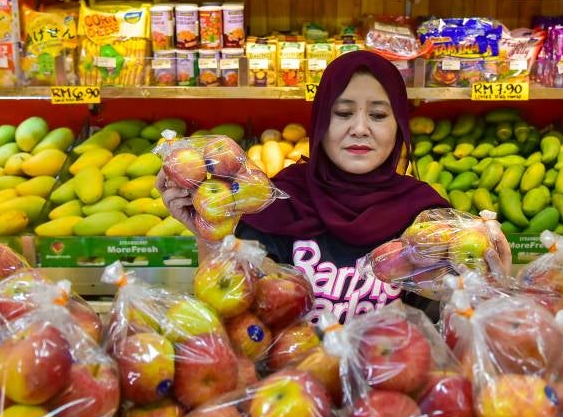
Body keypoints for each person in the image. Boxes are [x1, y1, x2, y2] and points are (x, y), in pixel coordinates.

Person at [157, 50, 508, 322]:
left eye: (378, 115)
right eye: (342, 113)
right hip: (293, 396)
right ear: (321, 122)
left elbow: (447, 326)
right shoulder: (277, 203)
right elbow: (234, 309)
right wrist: (208, 234)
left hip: (390, 398)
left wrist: (489, 288)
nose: (359, 128)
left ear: (399, 125)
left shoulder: (428, 218)